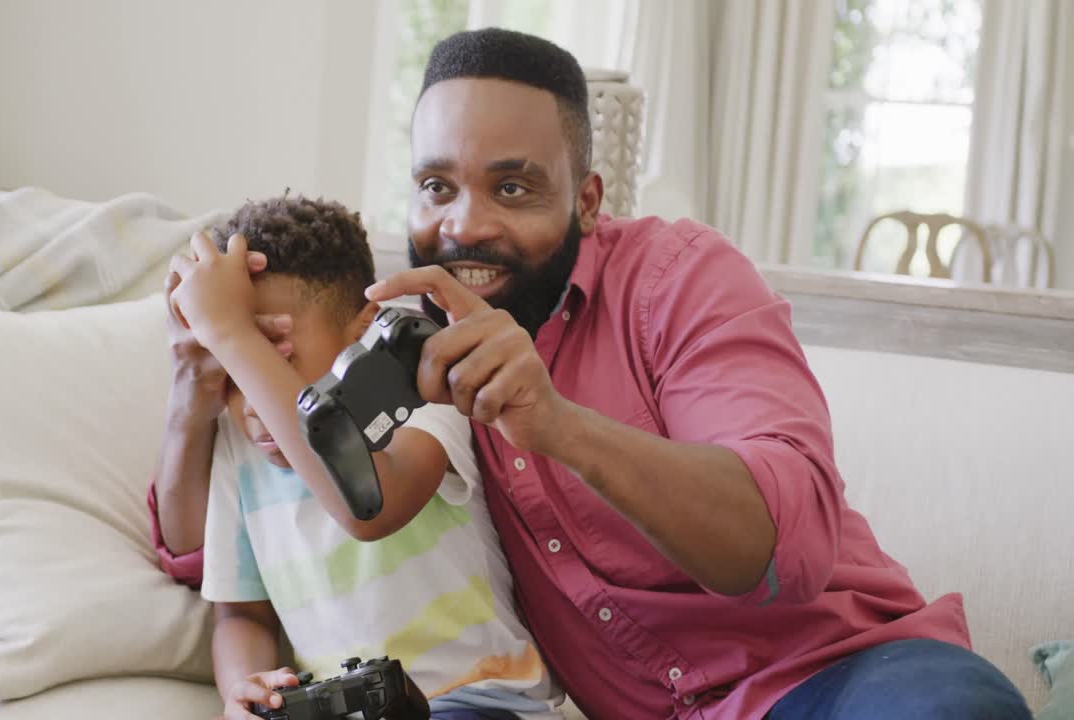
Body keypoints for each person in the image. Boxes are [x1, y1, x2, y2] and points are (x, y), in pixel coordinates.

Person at [151, 28, 1030, 720]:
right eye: (436, 186)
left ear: (589, 198)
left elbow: (786, 539)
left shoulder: (679, 279)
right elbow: (237, 540)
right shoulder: (401, 344)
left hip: (838, 678)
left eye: (515, 188)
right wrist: (206, 371)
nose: (469, 226)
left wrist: (558, 424)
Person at [164, 194, 565, 720]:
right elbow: (240, 611)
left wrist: (233, 334)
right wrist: (245, 690)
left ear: (363, 332)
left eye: (272, 355)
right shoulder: (239, 448)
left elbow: (369, 507)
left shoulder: (418, 394)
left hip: (479, 698)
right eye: (233, 369)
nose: (253, 395)